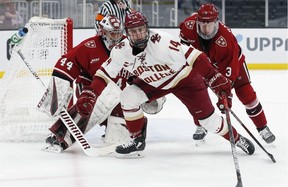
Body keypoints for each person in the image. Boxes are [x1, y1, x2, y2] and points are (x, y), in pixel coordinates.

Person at [76, 11, 255, 158]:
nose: (139, 34)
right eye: (134, 31)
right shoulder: (121, 51)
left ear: (146, 29)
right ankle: (137, 139)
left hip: (185, 79)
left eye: (141, 30)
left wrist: (214, 78)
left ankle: (237, 139)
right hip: (154, 83)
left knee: (208, 121)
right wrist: (92, 93)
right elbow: (103, 75)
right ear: (127, 33)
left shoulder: (161, 42)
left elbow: (195, 56)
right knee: (128, 97)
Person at [41, 15, 165, 153]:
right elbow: (66, 63)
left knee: (121, 131)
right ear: (103, 31)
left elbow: (138, 72)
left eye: (119, 33)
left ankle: (123, 131)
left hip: (116, 91)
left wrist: (152, 91)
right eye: (113, 33)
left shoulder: (127, 46)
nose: (116, 37)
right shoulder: (89, 46)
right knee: (94, 103)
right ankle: (60, 136)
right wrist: (60, 87)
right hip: (90, 88)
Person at [179, 3, 276, 144]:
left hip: (232, 63)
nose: (206, 29)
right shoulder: (188, 27)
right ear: (197, 21)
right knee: (196, 94)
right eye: (203, 24)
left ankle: (262, 127)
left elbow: (229, 74)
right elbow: (183, 49)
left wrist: (225, 96)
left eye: (210, 24)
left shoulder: (226, 40)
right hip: (202, 64)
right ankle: (201, 125)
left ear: (216, 22)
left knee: (246, 94)